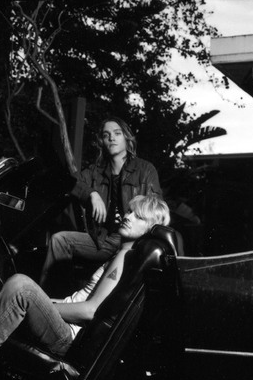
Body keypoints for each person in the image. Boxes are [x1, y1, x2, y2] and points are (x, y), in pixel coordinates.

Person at [0, 195, 170, 376]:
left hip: (67, 336)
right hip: (65, 326)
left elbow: (90, 311)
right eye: (129, 211)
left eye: (139, 217)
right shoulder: (122, 254)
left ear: (150, 228)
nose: (128, 217)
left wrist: (49, 307)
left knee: (20, 286)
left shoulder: (124, 257)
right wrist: (46, 303)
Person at [40, 117, 162, 287]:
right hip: (104, 239)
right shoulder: (95, 171)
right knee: (59, 240)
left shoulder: (145, 169)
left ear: (126, 138)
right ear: (102, 142)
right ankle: (50, 297)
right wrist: (92, 193)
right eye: (106, 135)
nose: (111, 138)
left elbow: (156, 210)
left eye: (117, 133)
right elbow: (70, 182)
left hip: (133, 241)